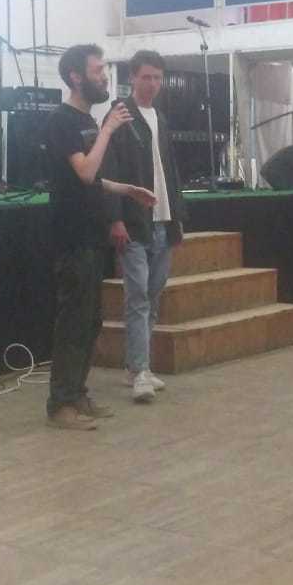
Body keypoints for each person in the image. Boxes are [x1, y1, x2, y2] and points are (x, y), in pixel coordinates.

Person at [45, 43, 155, 431]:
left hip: (92, 237)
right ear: (76, 77)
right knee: (73, 323)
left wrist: (127, 190)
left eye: (104, 69)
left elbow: (96, 180)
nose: (104, 76)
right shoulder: (62, 120)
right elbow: (85, 172)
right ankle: (60, 405)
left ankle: (77, 395)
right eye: (97, 71)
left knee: (90, 322)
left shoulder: (87, 120)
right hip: (72, 236)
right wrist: (109, 129)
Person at [103, 50, 186, 404]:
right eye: (146, 77)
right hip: (134, 223)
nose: (152, 84)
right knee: (137, 297)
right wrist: (115, 218)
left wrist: (177, 218)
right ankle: (140, 370)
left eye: (157, 77)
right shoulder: (119, 116)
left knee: (152, 296)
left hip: (163, 221)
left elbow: (170, 171)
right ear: (132, 78)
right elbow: (109, 170)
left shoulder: (160, 118)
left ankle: (138, 365)